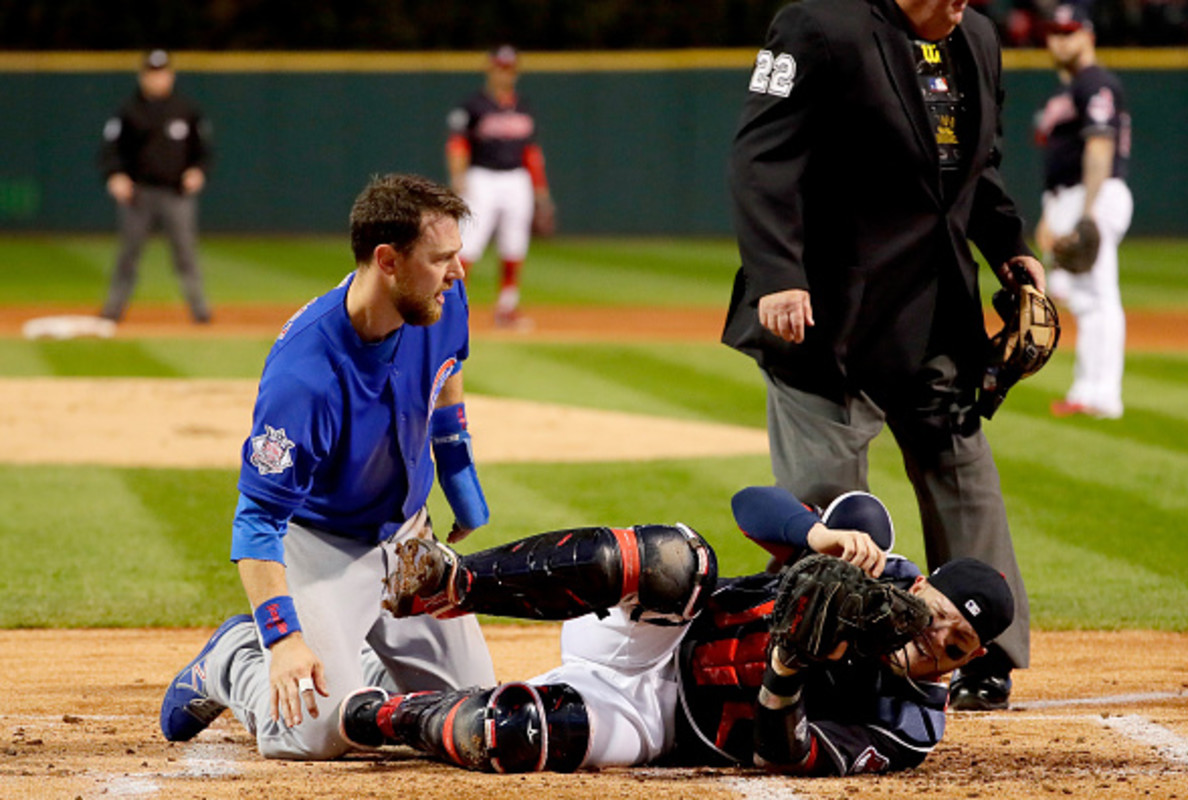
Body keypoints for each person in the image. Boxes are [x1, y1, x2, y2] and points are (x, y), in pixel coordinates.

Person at [721, 0, 1044, 711]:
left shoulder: (979, 39)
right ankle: (830, 654)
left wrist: (1011, 247)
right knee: (834, 504)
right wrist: (778, 275)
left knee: (964, 475)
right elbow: (762, 159)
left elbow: (973, 166)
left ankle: (984, 653)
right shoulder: (819, 27)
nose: (961, 4)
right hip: (829, 314)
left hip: (937, 312)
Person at [158, 174, 497, 760]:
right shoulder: (305, 376)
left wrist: (456, 464)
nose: (459, 272)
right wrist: (284, 638)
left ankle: (349, 657)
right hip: (323, 548)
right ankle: (232, 659)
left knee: (470, 709)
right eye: (442, 258)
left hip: (409, 543)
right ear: (387, 260)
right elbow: (257, 520)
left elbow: (449, 364)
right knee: (317, 733)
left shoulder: (440, 302)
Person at [336, 487, 1014, 775]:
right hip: (657, 635)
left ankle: (374, 709)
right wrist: (815, 536)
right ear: (920, 587)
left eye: (955, 647)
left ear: (971, 659)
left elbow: (788, 756)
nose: (934, 641)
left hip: (659, 725)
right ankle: (453, 584)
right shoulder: (873, 564)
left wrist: (786, 668)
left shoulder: (910, 727)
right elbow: (750, 506)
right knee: (680, 562)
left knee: (514, 731)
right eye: (936, 618)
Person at [1035, 3, 1133, 420]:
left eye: (1070, 30)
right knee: (1082, 298)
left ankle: (1102, 394)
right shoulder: (1073, 88)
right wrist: (1050, 215)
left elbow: (1099, 146)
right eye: (1055, 31)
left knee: (1098, 298)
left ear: (1089, 35)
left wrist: (1087, 214)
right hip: (1072, 197)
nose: (1060, 38)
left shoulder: (1094, 82)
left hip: (1094, 193)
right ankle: (1088, 389)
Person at [98, 49, 213, 324]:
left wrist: (198, 171)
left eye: (162, 73)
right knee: (129, 254)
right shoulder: (128, 111)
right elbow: (110, 150)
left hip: (176, 194)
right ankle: (113, 311)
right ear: (143, 76)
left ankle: (200, 311)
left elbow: (203, 151)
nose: (158, 78)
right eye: (152, 73)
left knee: (185, 253)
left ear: (170, 76)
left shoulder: (186, 110)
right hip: (139, 193)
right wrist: (116, 175)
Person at [446, 44, 555, 329]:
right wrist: (459, 178)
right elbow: (457, 144)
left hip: (517, 179)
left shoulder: (524, 106)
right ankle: (451, 310)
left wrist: (540, 191)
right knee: (469, 244)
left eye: (509, 68)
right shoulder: (473, 106)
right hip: (481, 177)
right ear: (490, 69)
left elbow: (531, 152)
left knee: (514, 244)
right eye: (500, 67)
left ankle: (507, 308)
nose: (504, 73)